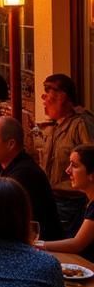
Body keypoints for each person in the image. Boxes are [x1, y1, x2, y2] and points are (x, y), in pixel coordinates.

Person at [0, 116, 64, 241]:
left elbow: (2, 221)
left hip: (38, 247)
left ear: (11, 144)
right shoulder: (1, 165)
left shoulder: (24, 174)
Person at [39, 73, 94, 233]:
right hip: (52, 199)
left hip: (72, 204)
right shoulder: (53, 126)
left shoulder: (81, 124)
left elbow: (90, 159)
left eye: (47, 92)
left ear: (62, 96)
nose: (43, 98)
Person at [42, 145, 94, 260]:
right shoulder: (86, 201)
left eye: (74, 166)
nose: (67, 170)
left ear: (92, 175)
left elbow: (76, 244)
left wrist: (36, 244)